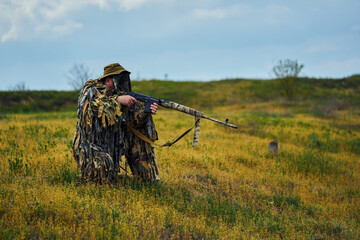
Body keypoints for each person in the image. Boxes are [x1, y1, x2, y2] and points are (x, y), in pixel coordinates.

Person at [72, 63, 160, 183]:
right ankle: (93, 180)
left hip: (114, 145)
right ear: (108, 81)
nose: (124, 84)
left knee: (139, 140)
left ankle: (145, 178)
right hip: (92, 148)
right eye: (120, 80)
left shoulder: (122, 96)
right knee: (103, 166)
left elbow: (134, 122)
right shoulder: (91, 91)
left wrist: (145, 111)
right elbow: (95, 109)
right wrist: (118, 101)